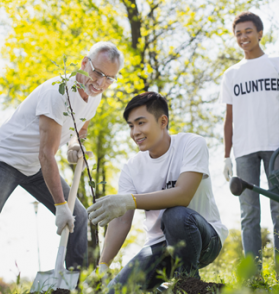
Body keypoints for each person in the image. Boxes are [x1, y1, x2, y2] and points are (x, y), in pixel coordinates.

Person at [0, 42, 124, 293]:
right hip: (5, 159)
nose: (101, 82)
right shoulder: (56, 92)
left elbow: (80, 129)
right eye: (98, 73)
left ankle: (67, 289)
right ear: (84, 63)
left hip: (35, 166)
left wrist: (73, 145)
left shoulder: (94, 96)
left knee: (79, 218)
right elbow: (47, 154)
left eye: (109, 78)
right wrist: (60, 206)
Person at [86, 92, 229, 292]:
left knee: (175, 215)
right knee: (116, 291)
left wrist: (130, 201)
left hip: (203, 238)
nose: (135, 132)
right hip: (159, 247)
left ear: (163, 122)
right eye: (131, 126)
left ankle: (188, 285)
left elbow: (183, 195)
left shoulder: (192, 144)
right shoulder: (132, 167)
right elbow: (121, 220)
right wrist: (103, 266)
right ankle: (168, 287)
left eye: (141, 123)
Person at [219, 11, 279, 268]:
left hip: (277, 147)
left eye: (248, 32)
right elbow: (229, 118)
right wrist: (226, 156)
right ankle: (253, 278)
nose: (243, 37)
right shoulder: (231, 74)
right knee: (249, 214)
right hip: (244, 151)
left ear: (259, 33)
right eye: (238, 34)